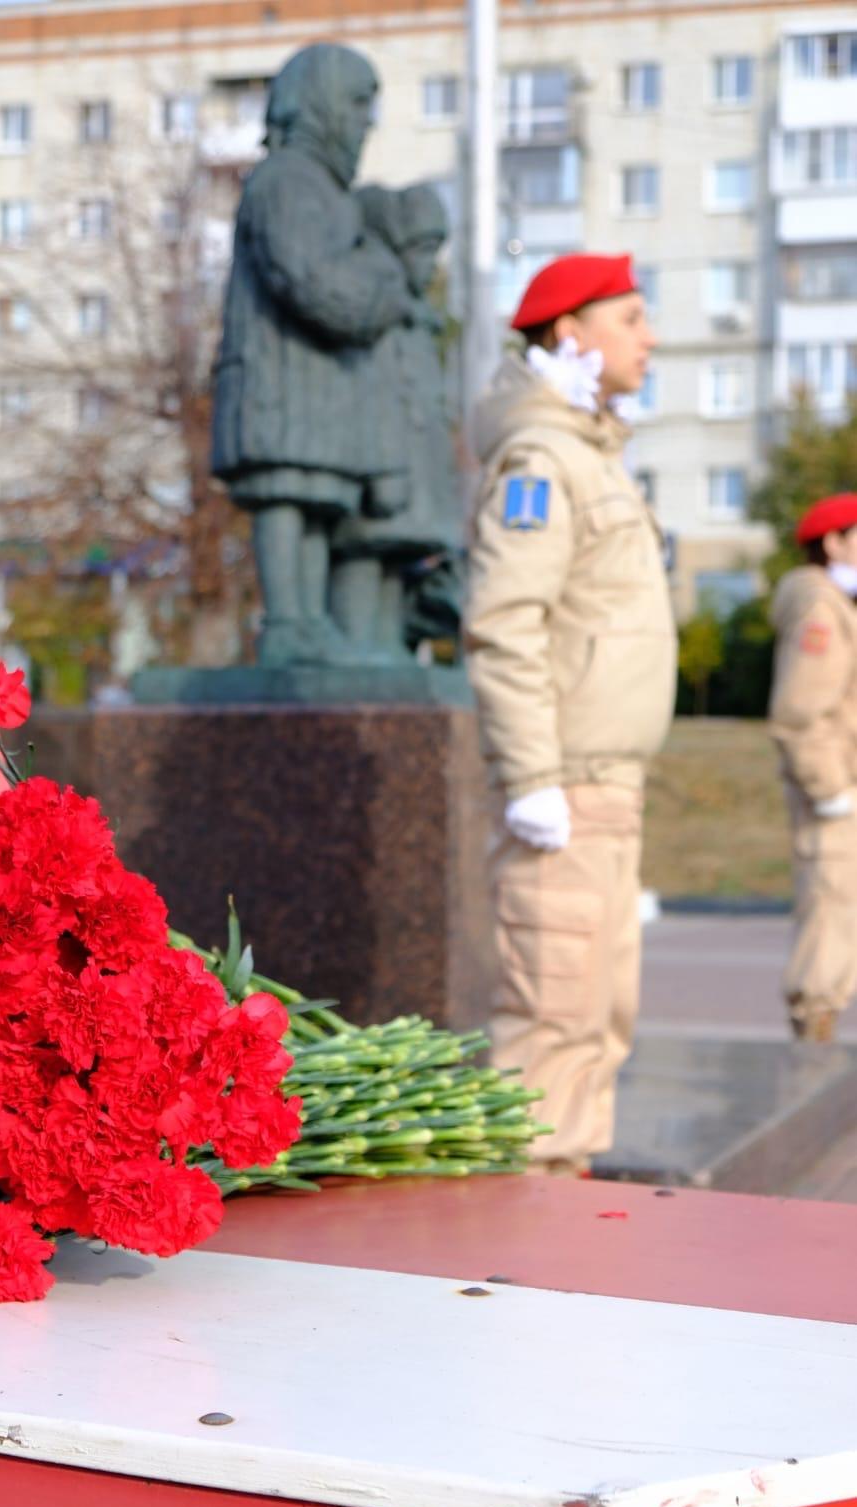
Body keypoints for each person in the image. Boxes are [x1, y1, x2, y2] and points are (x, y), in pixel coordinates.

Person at [465, 253, 676, 1176]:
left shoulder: (589, 453)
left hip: (607, 786)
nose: (650, 337)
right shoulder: (541, 461)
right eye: (631, 318)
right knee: (550, 1026)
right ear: (569, 335)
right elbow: (505, 623)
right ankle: (525, 1268)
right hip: (568, 789)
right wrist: (532, 778)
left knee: (597, 1022)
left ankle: (567, 1228)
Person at [211, 43, 416, 667]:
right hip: (282, 378)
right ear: (322, 102)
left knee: (314, 499)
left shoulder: (325, 189)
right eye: (357, 103)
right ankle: (288, 621)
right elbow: (306, 279)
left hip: (316, 383)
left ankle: (307, 621)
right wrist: (380, 297)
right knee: (285, 496)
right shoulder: (287, 179)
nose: (365, 122)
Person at [329, 182, 464, 662]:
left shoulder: (415, 318)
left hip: (410, 471)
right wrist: (383, 468)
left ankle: (382, 649)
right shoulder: (378, 310)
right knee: (363, 556)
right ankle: (354, 650)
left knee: (391, 559)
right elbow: (374, 394)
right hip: (379, 468)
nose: (430, 266)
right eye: (424, 251)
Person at [769, 493, 857, 1044]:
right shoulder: (820, 608)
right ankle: (812, 1058)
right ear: (832, 542)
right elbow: (799, 712)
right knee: (827, 924)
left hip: (844, 788)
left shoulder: (839, 604)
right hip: (834, 796)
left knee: (841, 924)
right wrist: (832, 789)